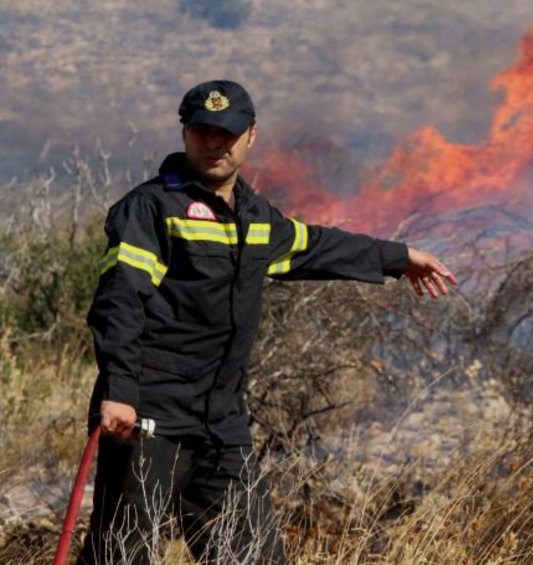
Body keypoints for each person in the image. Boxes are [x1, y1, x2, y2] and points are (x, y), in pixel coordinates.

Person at [78, 79, 457, 564]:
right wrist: (120, 391)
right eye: (202, 130)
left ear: (251, 135)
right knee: (122, 554)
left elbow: (317, 246)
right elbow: (120, 301)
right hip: (149, 415)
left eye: (227, 132)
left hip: (221, 424)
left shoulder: (257, 218)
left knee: (251, 554)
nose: (214, 142)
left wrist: (400, 257)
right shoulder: (152, 209)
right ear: (185, 133)